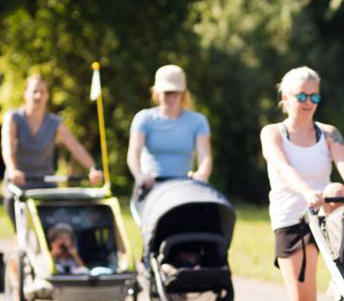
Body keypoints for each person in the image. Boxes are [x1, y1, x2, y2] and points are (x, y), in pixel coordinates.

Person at [260, 66, 344, 301]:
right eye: (302, 96)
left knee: (336, 191)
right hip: (292, 220)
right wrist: (306, 191)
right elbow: (282, 167)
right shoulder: (273, 133)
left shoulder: (329, 134)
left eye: (314, 97)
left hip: (326, 215)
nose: (308, 102)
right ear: (286, 97)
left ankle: (342, 274)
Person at [1, 74, 103, 228]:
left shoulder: (54, 122)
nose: (38, 95)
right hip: (19, 184)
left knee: (56, 225)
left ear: (47, 96)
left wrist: (93, 168)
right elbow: (7, 147)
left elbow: (75, 147)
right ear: (25, 93)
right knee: (24, 227)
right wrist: (13, 170)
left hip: (45, 183)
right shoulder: (13, 118)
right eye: (34, 91)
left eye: (42, 92)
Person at [126, 64, 212, 202]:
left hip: (184, 186)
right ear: (157, 92)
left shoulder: (198, 121)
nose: (170, 98)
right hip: (151, 186)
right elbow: (133, 153)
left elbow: (205, 156)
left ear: (183, 94)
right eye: (166, 93)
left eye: (174, 93)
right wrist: (139, 175)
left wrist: (202, 174)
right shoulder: (144, 118)